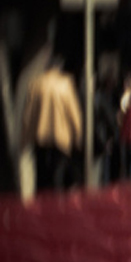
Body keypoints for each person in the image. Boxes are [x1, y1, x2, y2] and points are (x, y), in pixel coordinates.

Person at [24, 58, 83, 192]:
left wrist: (25, 139)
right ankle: (55, 209)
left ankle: (40, 207)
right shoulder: (65, 84)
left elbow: (28, 116)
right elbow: (74, 115)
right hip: (61, 139)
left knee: (41, 178)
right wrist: (77, 138)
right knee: (58, 177)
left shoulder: (36, 84)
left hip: (40, 138)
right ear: (58, 68)